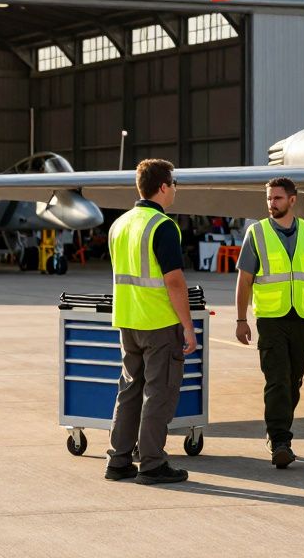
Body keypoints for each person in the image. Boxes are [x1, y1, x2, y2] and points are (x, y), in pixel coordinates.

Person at [104, 159, 198, 485]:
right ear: (162, 187)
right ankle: (152, 463)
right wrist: (187, 326)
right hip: (158, 323)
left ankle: (118, 460)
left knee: (129, 391)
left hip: (127, 321)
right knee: (160, 393)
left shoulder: (120, 224)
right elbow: (174, 281)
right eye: (173, 184)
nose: (175, 190)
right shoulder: (162, 226)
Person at [233, 177, 304, 468]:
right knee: (277, 380)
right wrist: (241, 319)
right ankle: (280, 441)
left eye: (277, 198)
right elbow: (245, 280)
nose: (271, 203)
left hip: (301, 316)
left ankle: (277, 432)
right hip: (270, 319)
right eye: (268, 198)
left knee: (294, 382)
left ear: (292, 200)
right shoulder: (257, 233)